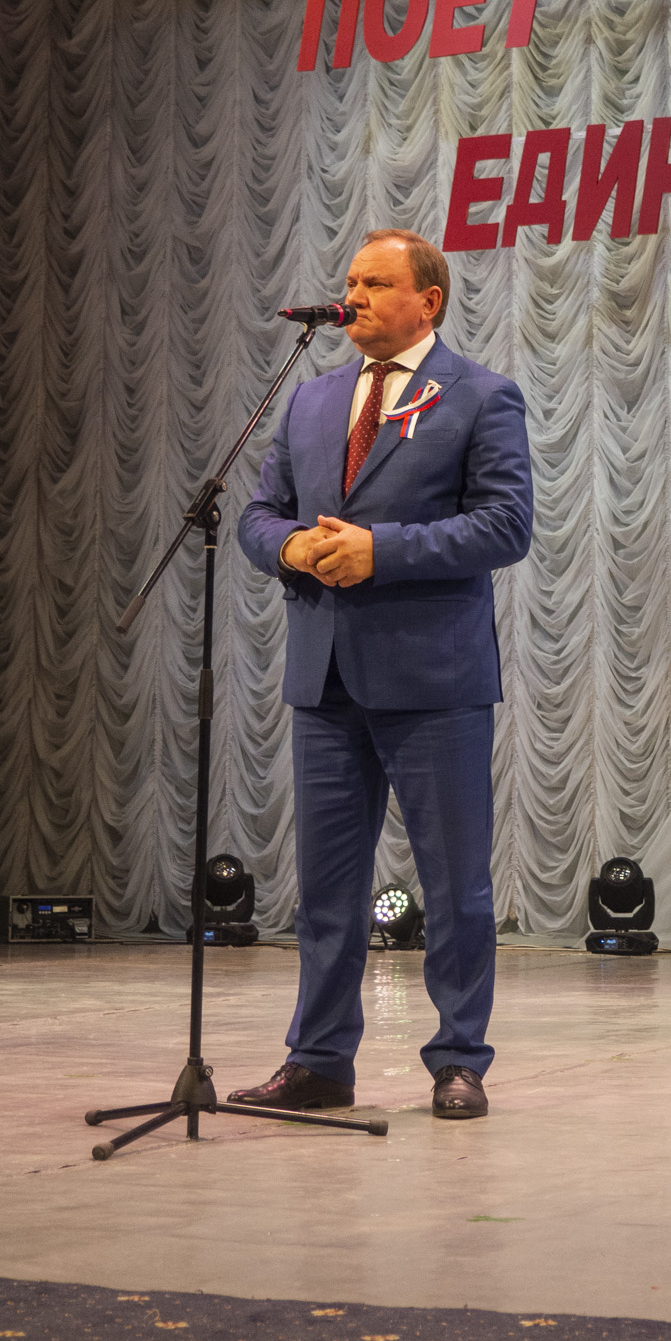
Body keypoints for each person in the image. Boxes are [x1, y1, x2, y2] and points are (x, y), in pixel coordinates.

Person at [232, 228, 532, 1119]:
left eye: (372, 284)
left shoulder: (480, 396)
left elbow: (506, 525)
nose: (351, 298)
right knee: (327, 889)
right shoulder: (313, 399)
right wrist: (290, 546)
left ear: (426, 300)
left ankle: (459, 1059)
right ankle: (320, 1061)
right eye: (350, 283)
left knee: (454, 885)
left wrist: (382, 550)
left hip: (434, 681)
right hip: (325, 678)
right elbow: (258, 513)